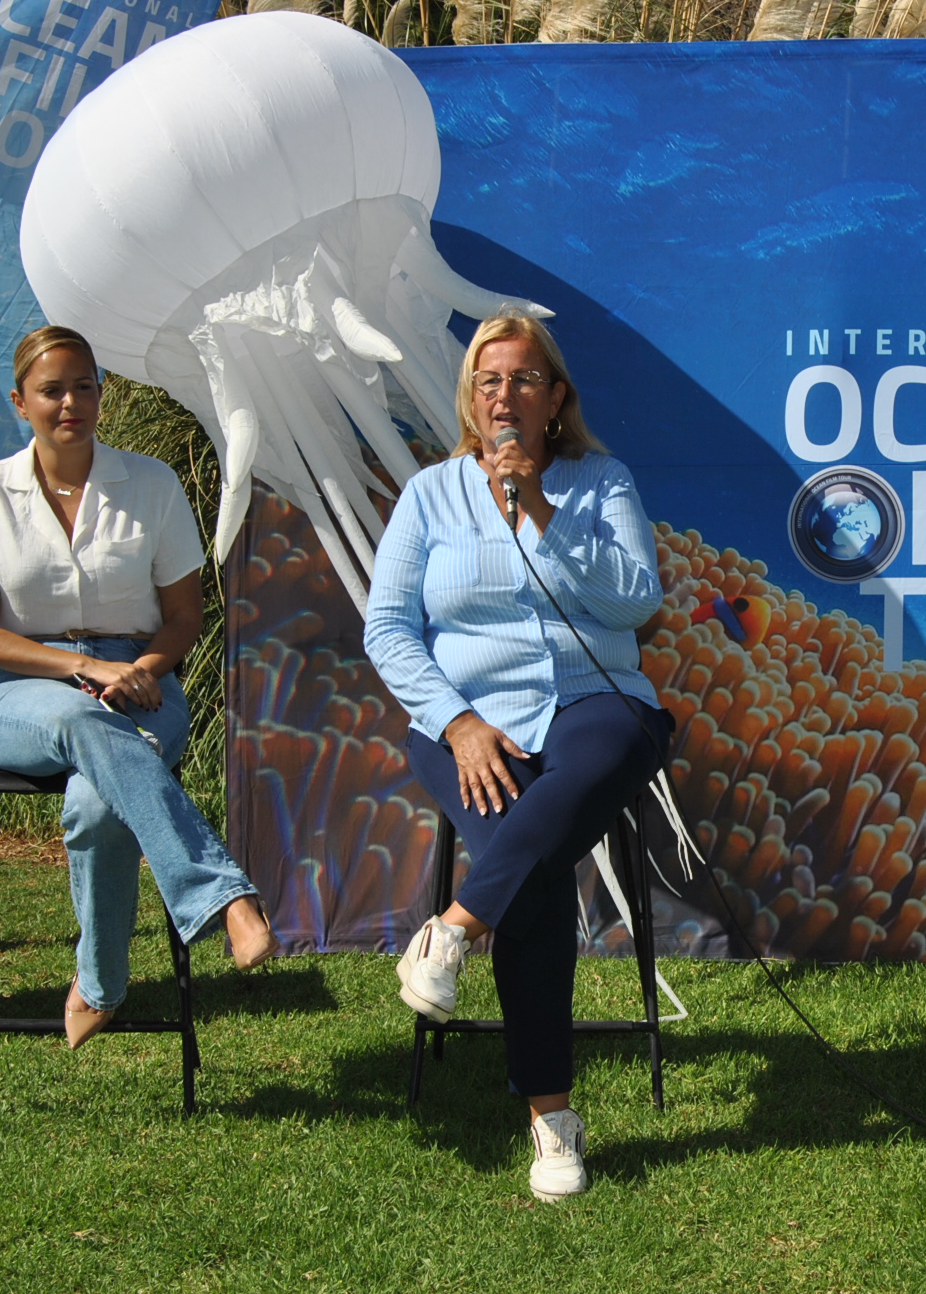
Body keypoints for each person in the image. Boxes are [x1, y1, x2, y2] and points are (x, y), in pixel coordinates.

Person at [363, 311, 670, 1203]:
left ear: (555, 398)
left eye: (524, 379)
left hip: (591, 701)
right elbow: (388, 628)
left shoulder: (598, 481)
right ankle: (552, 1119)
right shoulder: (430, 497)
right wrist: (455, 721)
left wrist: (540, 511)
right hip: (469, 721)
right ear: (472, 398)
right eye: (490, 381)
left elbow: (635, 603)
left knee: (601, 748)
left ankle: (452, 931)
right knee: (528, 870)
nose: (505, 396)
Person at [0, 326, 278, 1050]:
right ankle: (225, 896)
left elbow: (185, 618)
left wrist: (141, 670)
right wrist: (86, 670)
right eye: (52, 389)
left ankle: (99, 982)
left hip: (143, 677)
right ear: (20, 402)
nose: (71, 402)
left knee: (98, 806)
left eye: (85, 386)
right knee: (80, 722)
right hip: (15, 688)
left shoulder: (150, 483)